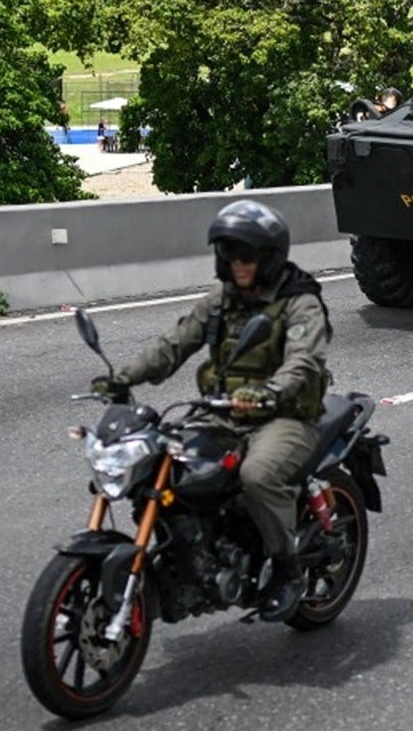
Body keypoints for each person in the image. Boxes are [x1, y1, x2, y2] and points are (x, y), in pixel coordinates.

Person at [90, 200, 332, 623]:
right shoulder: (221, 300)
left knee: (257, 475)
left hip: (284, 417)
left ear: (269, 257)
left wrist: (270, 391)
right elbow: (174, 343)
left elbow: (304, 360)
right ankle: (190, 554)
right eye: (229, 255)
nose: (238, 265)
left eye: (247, 256)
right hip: (221, 412)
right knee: (159, 460)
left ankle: (287, 569)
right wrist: (124, 376)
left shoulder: (299, 303)